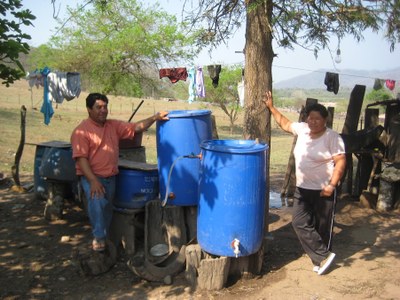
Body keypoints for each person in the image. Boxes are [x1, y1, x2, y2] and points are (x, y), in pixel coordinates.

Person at [71, 93, 169, 252]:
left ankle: (106, 239)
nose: (103, 110)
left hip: (111, 177)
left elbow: (136, 127)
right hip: (92, 177)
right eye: (98, 107)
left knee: (108, 208)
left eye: (105, 107)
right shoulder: (81, 132)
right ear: (89, 109)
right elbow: (81, 159)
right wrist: (93, 180)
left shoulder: (113, 126)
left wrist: (155, 117)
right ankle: (99, 238)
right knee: (98, 204)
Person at [263, 91, 346, 275]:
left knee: (322, 226)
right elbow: (284, 123)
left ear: (325, 119)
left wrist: (332, 184)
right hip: (302, 188)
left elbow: (340, 161)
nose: (313, 122)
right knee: (299, 221)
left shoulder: (332, 137)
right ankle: (323, 255)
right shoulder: (302, 129)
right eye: (310, 118)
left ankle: (320, 259)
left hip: (324, 188)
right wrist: (271, 107)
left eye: (317, 119)